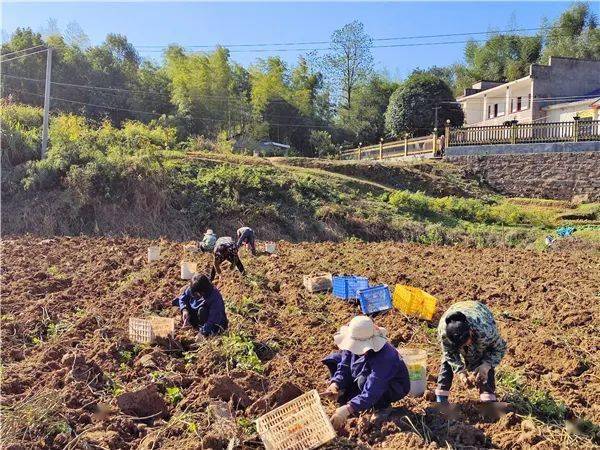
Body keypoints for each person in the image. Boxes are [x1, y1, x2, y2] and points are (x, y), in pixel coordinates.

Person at [321, 316, 410, 431]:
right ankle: (348, 396)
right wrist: (336, 384)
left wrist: (348, 408)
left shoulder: (385, 357)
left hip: (393, 387)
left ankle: (382, 407)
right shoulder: (353, 342)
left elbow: (373, 389)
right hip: (367, 373)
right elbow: (345, 364)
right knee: (334, 359)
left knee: (363, 381)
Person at [435, 301, 507, 404]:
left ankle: (487, 394)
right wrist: (460, 372)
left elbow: (499, 348)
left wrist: (486, 365)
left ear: (470, 332)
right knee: (448, 359)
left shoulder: (485, 331)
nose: (464, 346)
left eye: (466, 342)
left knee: (483, 355)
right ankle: (441, 396)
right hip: (455, 311)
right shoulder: (444, 333)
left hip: (479, 311)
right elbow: (449, 353)